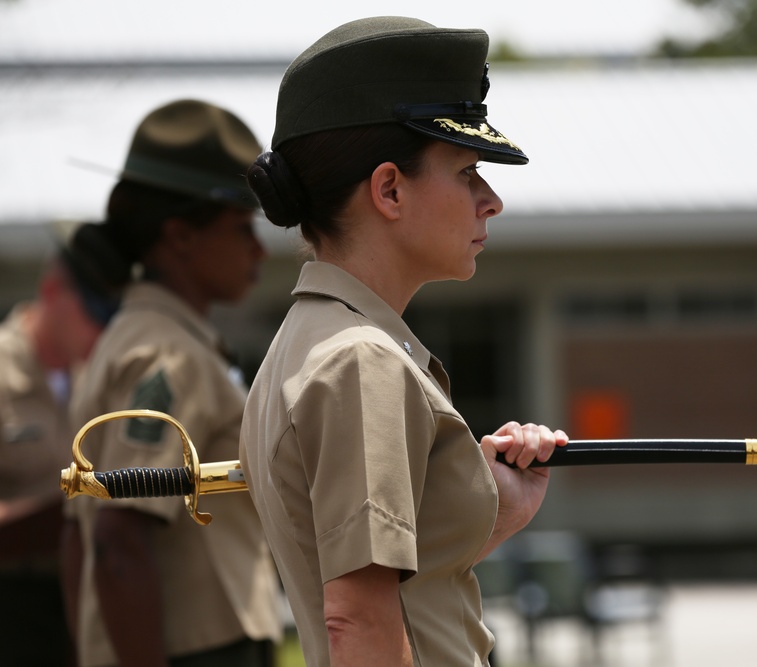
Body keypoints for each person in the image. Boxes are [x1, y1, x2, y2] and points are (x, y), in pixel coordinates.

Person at [240, 16, 569, 667]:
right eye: (468, 171)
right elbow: (357, 620)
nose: (491, 199)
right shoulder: (360, 361)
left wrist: (488, 513)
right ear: (389, 188)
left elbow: (388, 587)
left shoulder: (311, 343)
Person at [61, 99, 283, 667]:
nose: (258, 249)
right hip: (199, 650)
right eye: (241, 228)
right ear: (181, 235)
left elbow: (76, 542)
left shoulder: (145, 339)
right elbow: (117, 536)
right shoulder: (166, 354)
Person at [0, 229, 120, 667]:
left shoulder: (93, 377)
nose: (100, 327)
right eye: (92, 309)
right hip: (12, 601)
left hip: (82, 590)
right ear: (52, 291)